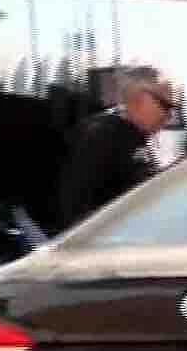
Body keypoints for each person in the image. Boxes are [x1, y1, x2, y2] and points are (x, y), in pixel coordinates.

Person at [56, 66, 177, 229]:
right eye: (165, 106)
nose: (168, 116)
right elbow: (75, 208)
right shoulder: (102, 135)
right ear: (141, 98)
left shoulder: (130, 135)